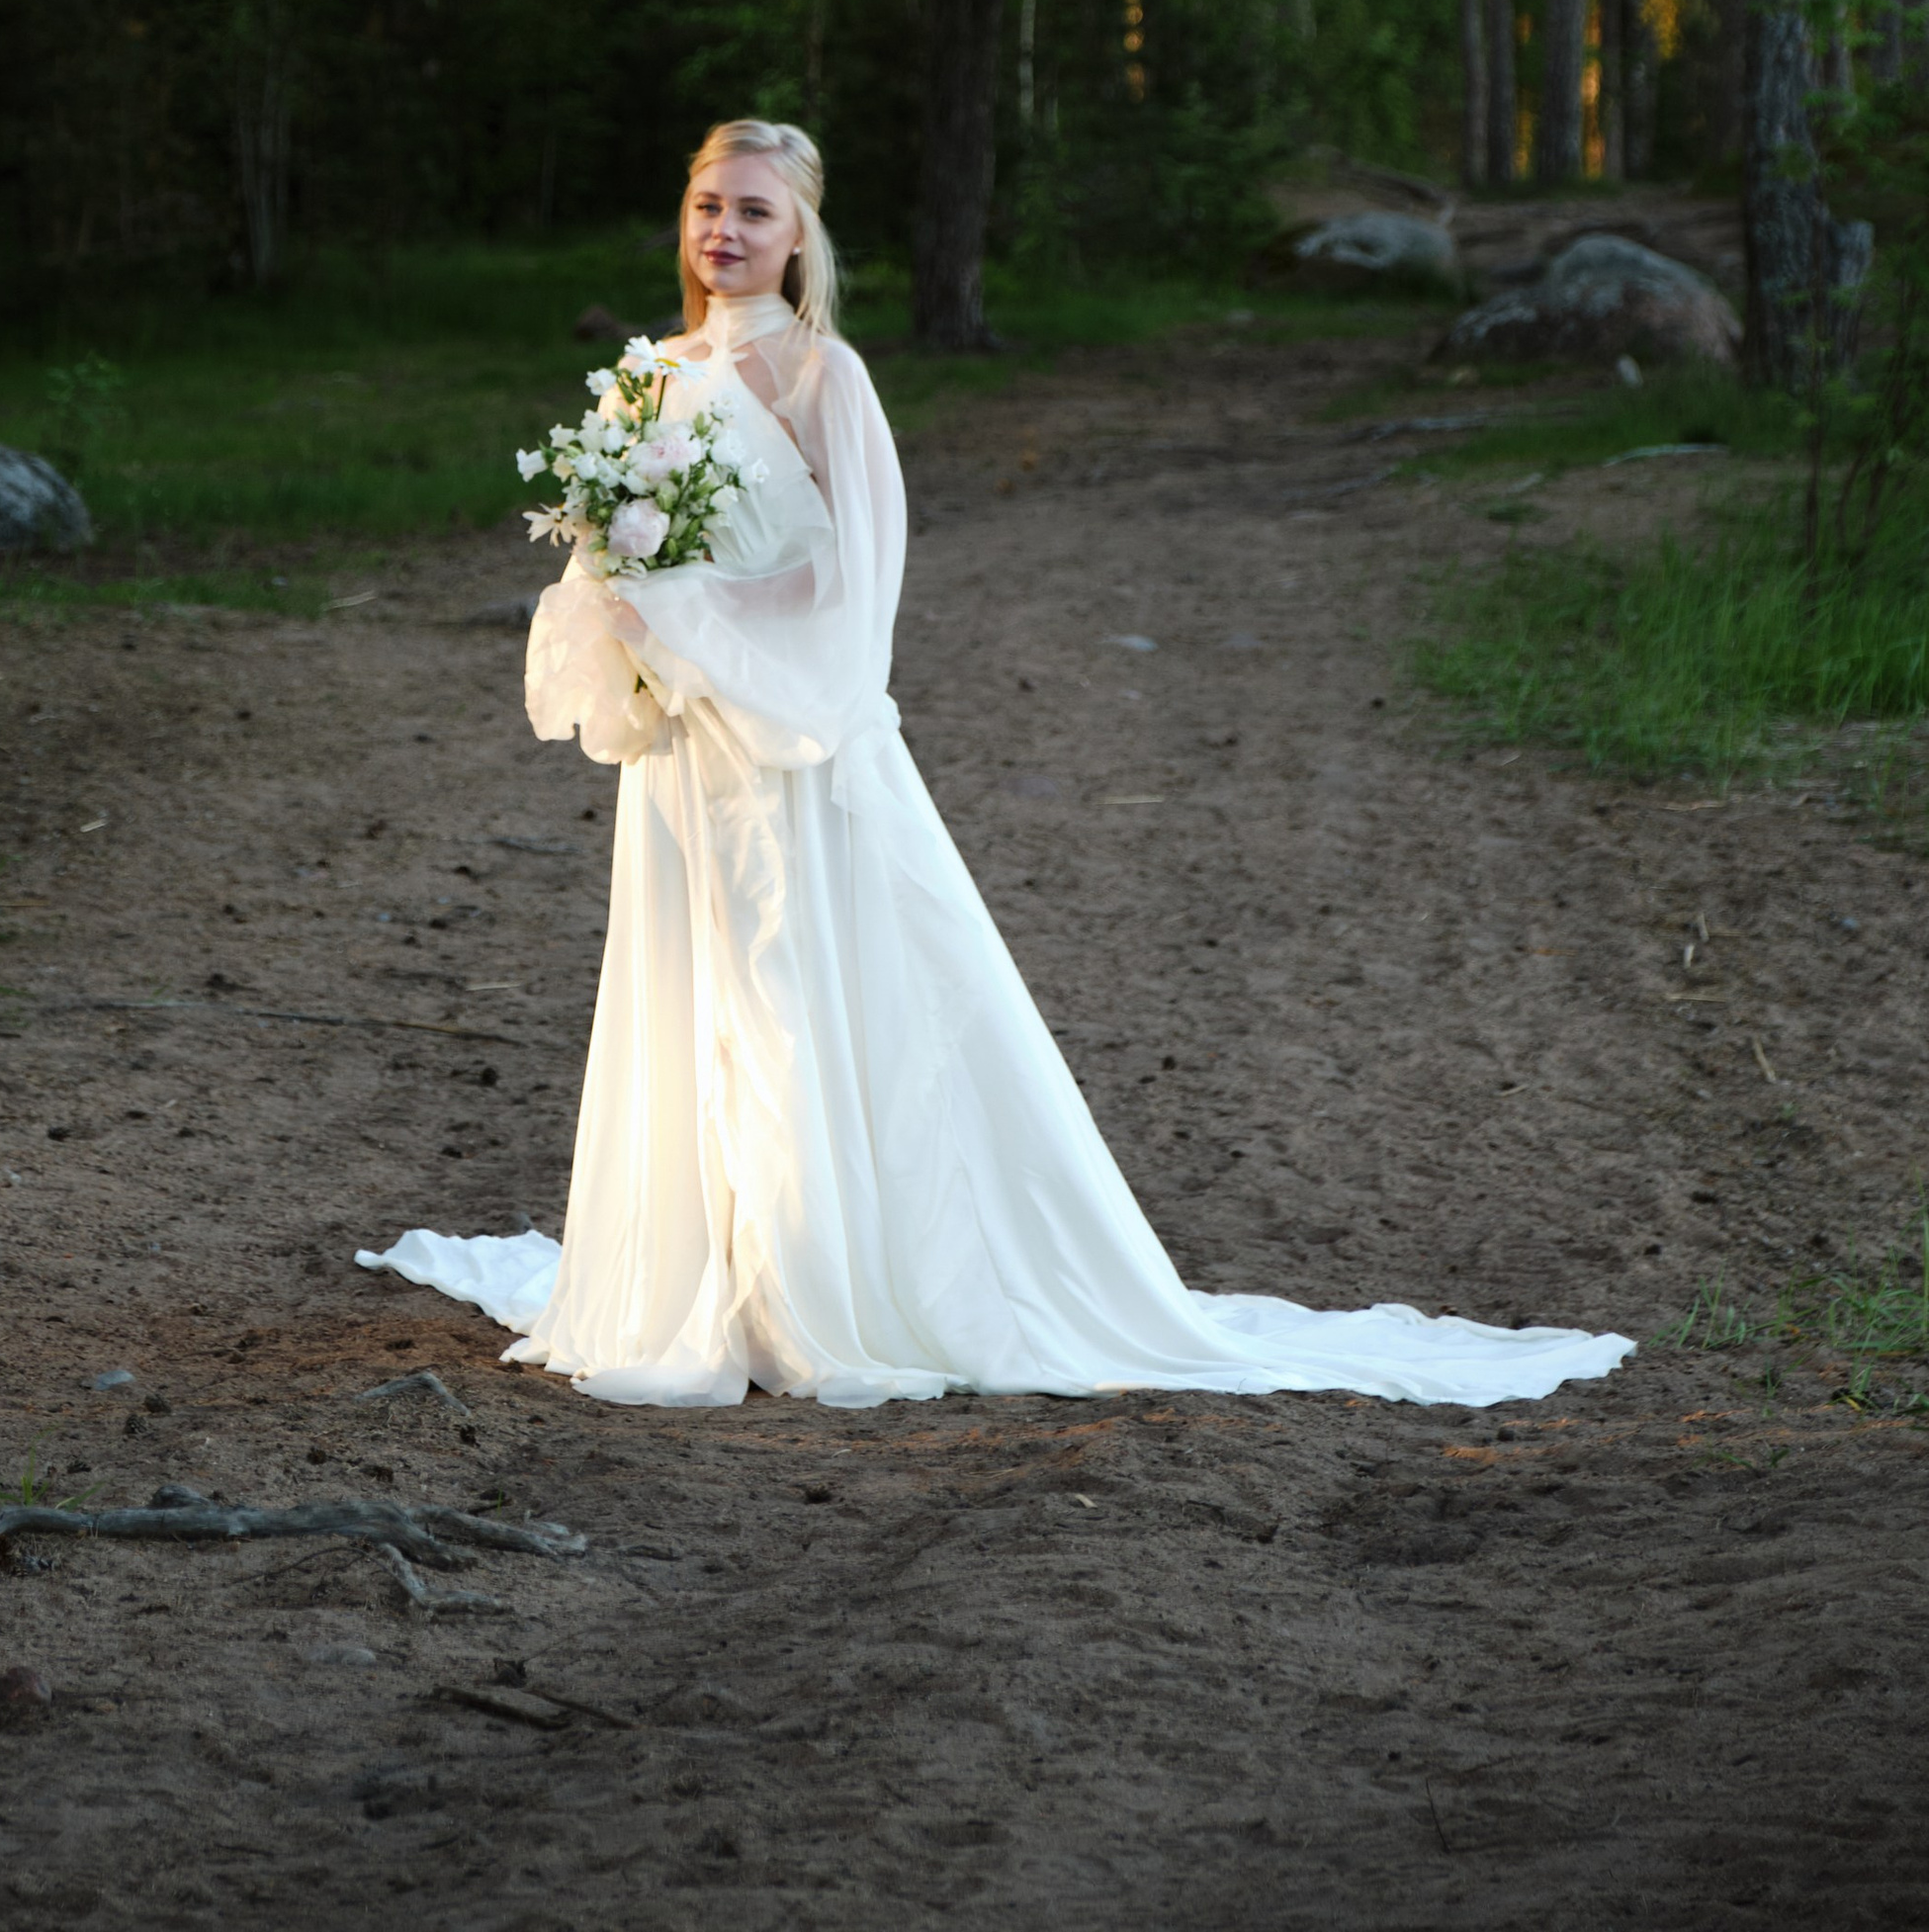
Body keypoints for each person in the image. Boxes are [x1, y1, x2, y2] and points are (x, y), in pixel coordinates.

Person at [361, 118, 1631, 1412]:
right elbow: (612, 553)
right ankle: (702, 1267)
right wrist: (632, 616)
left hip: (791, 745)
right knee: (701, 990)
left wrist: (699, 614)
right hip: (687, 749)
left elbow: (854, 580)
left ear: (802, 233)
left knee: (802, 992)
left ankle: (812, 1277)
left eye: (753, 209)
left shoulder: (823, 377)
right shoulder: (650, 376)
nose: (724, 231)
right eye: (705, 206)